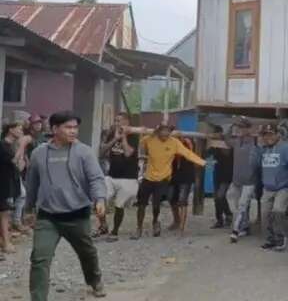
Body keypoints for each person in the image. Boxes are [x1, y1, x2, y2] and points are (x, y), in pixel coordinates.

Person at [25, 111, 107, 299]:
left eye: (75, 128)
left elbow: (96, 178)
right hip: (48, 217)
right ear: (54, 129)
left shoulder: (83, 152)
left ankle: (95, 281)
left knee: (87, 253)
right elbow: (32, 183)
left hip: (77, 215)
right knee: (39, 259)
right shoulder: (39, 153)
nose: (73, 131)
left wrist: (100, 199)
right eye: (68, 127)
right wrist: (29, 209)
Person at [134, 124, 206, 239]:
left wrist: (202, 162)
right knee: (141, 205)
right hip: (148, 177)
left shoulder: (174, 142)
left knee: (156, 205)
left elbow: (188, 153)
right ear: (158, 131)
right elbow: (141, 144)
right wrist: (145, 133)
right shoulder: (151, 139)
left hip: (163, 178)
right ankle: (139, 228)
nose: (165, 134)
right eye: (163, 131)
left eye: (168, 131)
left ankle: (155, 222)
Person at [254, 124, 288, 251]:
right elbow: (256, 164)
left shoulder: (286, 148)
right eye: (266, 134)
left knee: (278, 211)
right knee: (265, 214)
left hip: (283, 187)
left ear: (278, 134)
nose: (269, 137)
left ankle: (280, 238)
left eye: (271, 134)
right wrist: (259, 147)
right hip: (267, 187)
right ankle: (270, 239)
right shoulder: (263, 149)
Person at [95, 113, 139, 241]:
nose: (116, 123)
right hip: (111, 176)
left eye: (119, 121)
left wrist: (123, 137)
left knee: (119, 205)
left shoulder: (134, 136)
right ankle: (103, 226)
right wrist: (115, 139)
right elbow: (101, 153)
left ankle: (114, 232)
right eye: (115, 120)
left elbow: (128, 153)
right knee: (100, 199)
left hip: (128, 177)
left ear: (127, 122)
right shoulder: (111, 134)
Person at [222, 118, 258, 242]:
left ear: (249, 128)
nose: (242, 129)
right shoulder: (236, 142)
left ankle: (235, 231)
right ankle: (245, 227)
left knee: (242, 206)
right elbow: (226, 137)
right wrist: (231, 125)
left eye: (244, 127)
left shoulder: (255, 142)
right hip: (237, 180)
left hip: (250, 181)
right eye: (240, 127)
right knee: (236, 204)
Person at [0, 122, 25, 254]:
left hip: (10, 182)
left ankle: (5, 240)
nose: (21, 131)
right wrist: (22, 145)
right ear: (10, 129)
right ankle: (6, 243)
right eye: (19, 128)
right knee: (4, 213)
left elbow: (19, 166)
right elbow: (14, 161)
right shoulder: (3, 145)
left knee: (5, 212)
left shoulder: (11, 146)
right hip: (2, 184)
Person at [169, 137, 196, 235]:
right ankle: (177, 220)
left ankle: (182, 227)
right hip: (174, 176)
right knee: (171, 198)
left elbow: (192, 154)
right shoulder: (170, 143)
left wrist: (188, 143)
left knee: (182, 200)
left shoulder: (188, 143)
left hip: (186, 176)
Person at [209, 125, 233, 229]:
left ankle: (228, 215)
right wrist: (209, 143)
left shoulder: (228, 142)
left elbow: (227, 153)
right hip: (217, 173)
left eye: (216, 133)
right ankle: (220, 220)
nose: (215, 135)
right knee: (217, 198)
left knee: (220, 196)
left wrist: (219, 142)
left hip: (227, 174)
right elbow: (206, 154)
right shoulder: (214, 144)